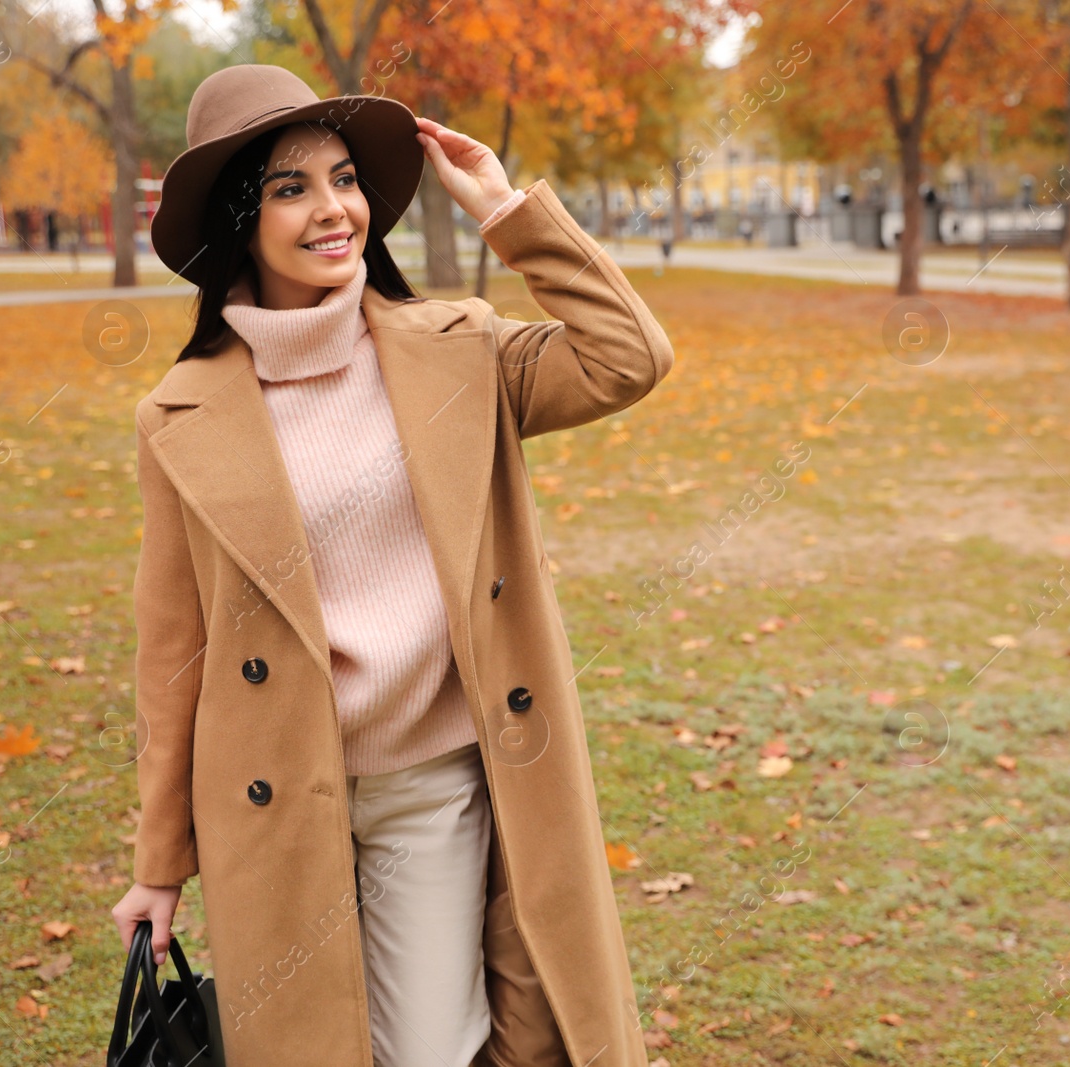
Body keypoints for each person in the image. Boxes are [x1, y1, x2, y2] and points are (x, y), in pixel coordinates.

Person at [109, 63, 671, 1067]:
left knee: (424, 1050)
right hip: (267, 801)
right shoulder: (178, 414)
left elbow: (627, 355)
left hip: (427, 783)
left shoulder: (459, 350)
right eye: (290, 188)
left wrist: (507, 210)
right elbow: (173, 652)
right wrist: (160, 862)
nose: (332, 209)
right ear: (241, 218)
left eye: (343, 179)